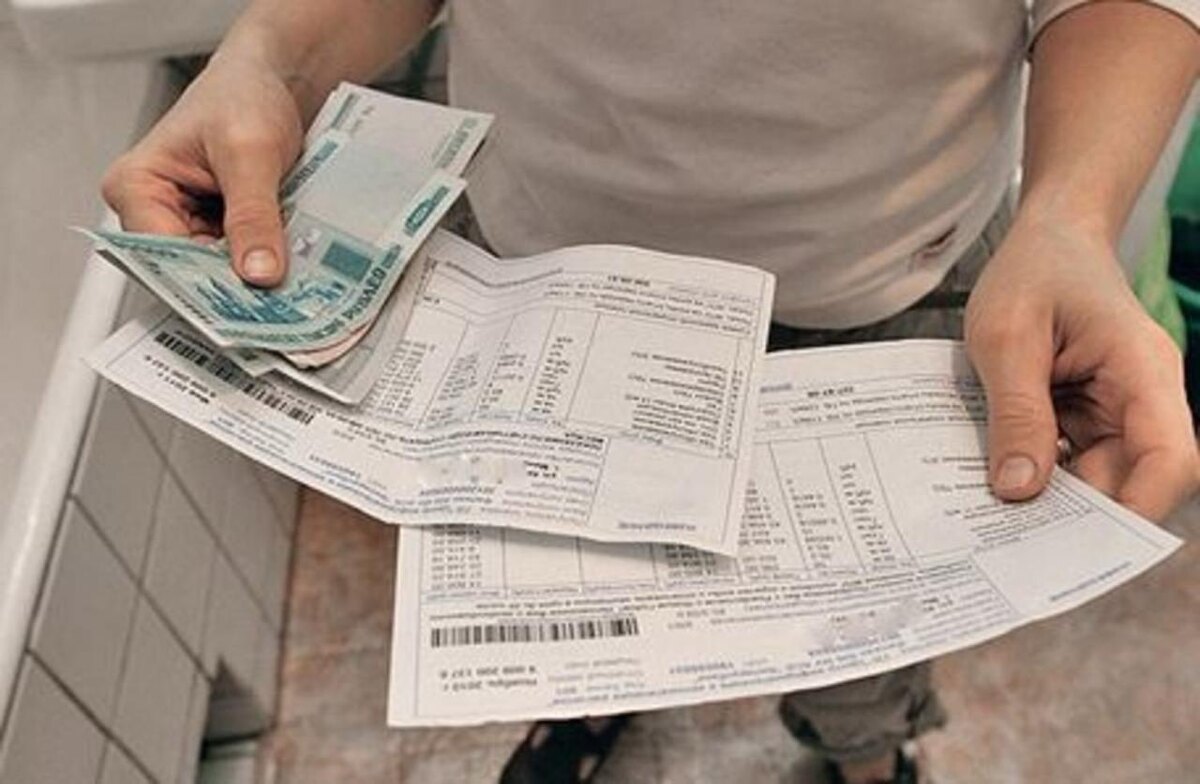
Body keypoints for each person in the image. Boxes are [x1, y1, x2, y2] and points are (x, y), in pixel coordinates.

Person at [101, 1, 1200, 782]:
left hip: (892, 272)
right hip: (552, 266)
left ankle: (867, 751)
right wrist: (272, 56)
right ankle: (589, 700)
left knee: (862, 627)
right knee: (579, 577)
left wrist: (1071, 211)